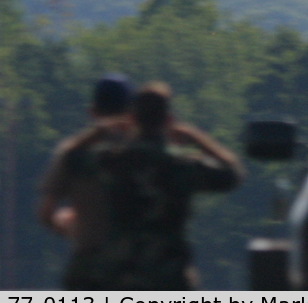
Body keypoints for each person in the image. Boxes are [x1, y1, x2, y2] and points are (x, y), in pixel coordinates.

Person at [44, 82, 243, 289]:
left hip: (119, 276)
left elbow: (70, 158)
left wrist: (101, 131)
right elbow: (233, 173)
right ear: (168, 120)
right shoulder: (182, 164)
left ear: (132, 119)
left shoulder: (113, 160)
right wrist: (196, 138)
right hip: (169, 277)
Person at [37, 74, 134, 252]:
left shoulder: (73, 153)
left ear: (93, 111)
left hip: (90, 268)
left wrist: (72, 227)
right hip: (137, 269)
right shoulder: (146, 155)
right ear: (131, 114)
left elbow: (46, 214)